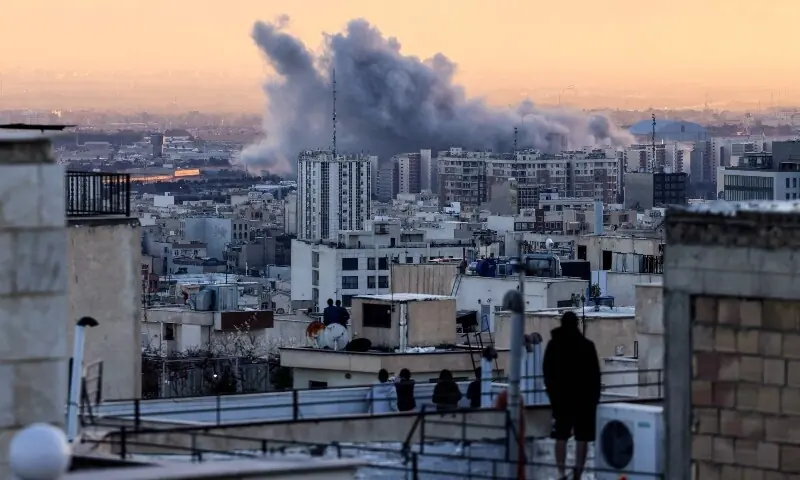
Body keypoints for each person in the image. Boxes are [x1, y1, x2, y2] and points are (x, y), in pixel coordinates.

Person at [543, 311, 601, 480]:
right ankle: (578, 474)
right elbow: (595, 376)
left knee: (561, 435)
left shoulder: (554, 345)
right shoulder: (587, 345)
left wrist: (553, 393)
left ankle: (561, 473)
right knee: (582, 437)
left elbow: (547, 371)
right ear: (577, 324)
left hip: (561, 399)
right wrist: (593, 399)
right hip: (584, 400)